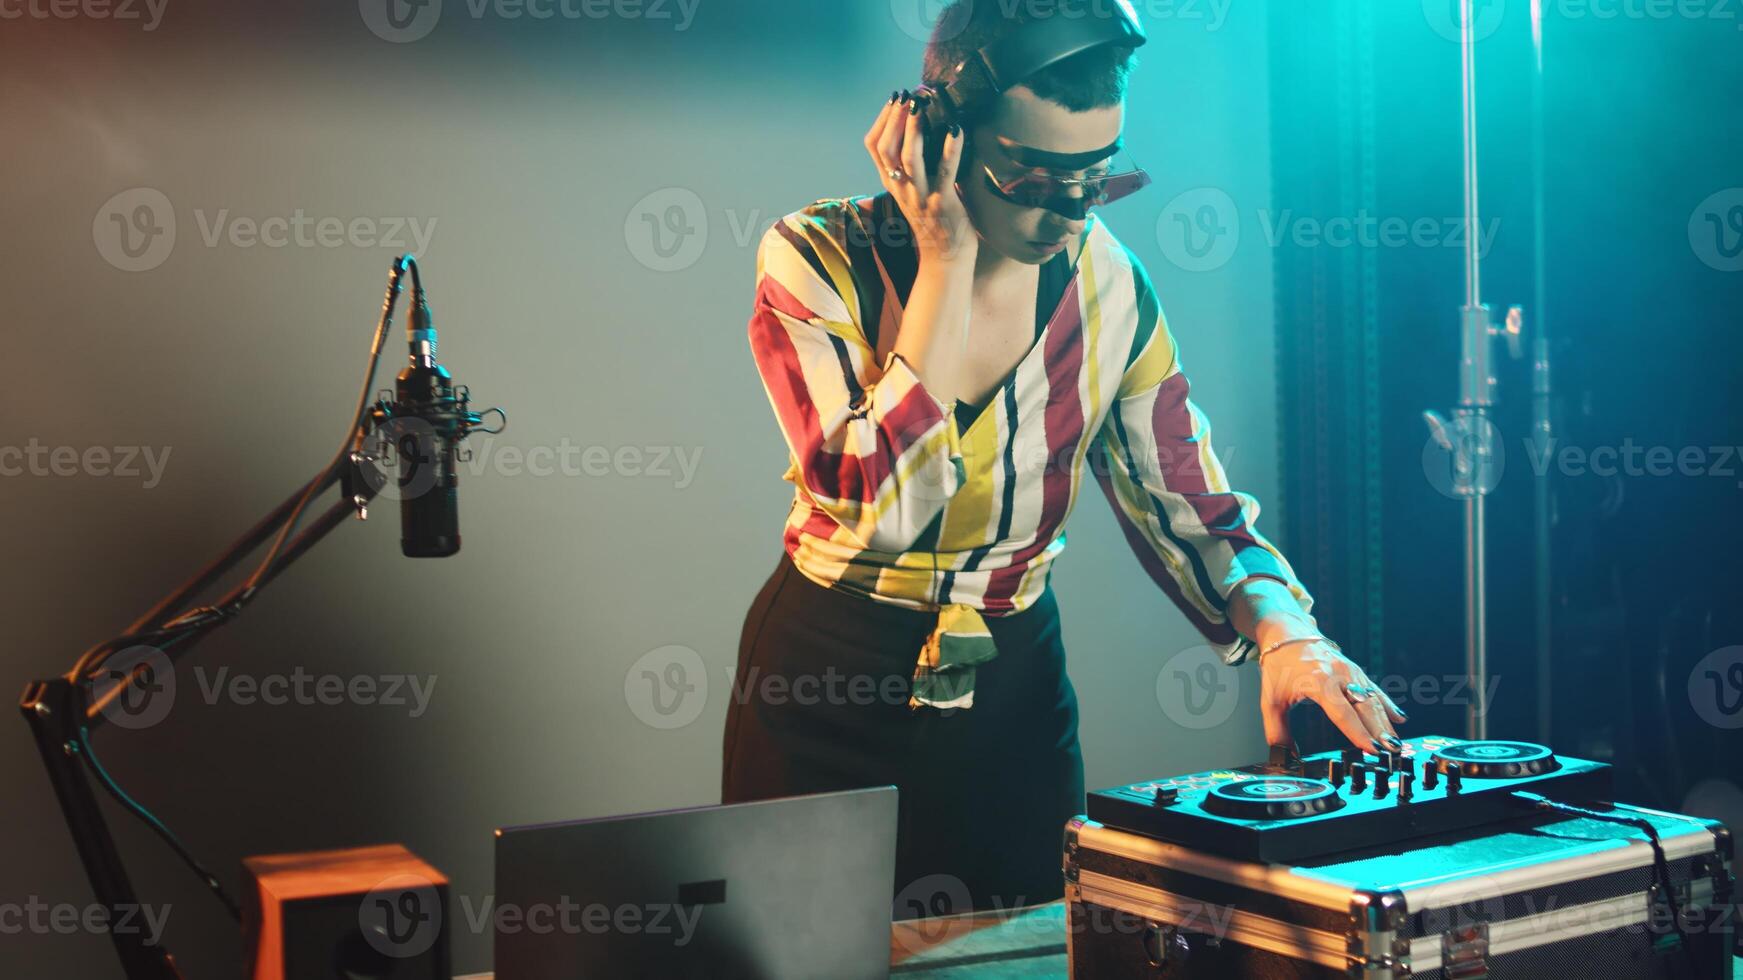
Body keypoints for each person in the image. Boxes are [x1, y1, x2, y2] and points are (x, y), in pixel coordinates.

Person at [721, 2, 1406, 913]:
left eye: (1092, 182)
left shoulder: (1107, 280)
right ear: (941, 137)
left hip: (1015, 692)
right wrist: (943, 257)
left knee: (1036, 957)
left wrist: (1290, 634)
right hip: (823, 684)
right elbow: (889, 504)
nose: (1066, 217)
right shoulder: (813, 257)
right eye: (1033, 180)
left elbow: (1190, 504)